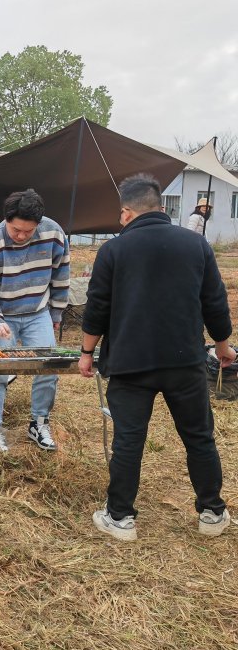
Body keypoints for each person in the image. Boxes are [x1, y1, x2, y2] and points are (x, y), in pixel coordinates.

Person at [78, 173, 234, 542]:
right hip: (185, 361)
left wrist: (86, 352)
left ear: (127, 212)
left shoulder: (113, 250)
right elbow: (214, 301)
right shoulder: (195, 244)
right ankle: (212, 512)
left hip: (130, 363)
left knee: (129, 441)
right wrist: (223, 346)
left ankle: (120, 518)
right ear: (161, 207)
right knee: (199, 437)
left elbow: (97, 307)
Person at [0, 189, 70, 453]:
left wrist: (56, 312)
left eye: (29, 231)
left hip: (37, 311)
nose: (22, 236)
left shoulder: (53, 233)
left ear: (39, 223)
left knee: (48, 366)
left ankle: (39, 423)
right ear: (6, 219)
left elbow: (61, 274)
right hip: (2, 314)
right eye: (16, 230)